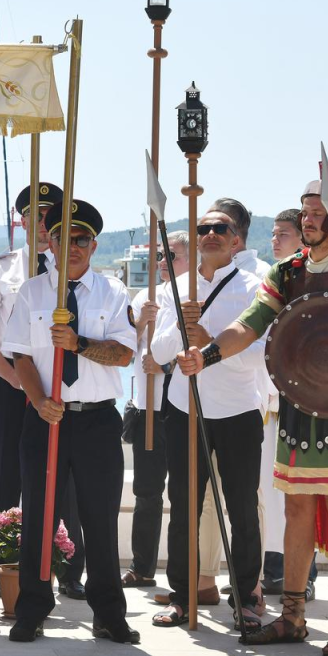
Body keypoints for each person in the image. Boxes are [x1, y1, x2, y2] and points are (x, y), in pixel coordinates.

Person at [176, 166, 328, 656]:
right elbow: (250, 324)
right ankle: (292, 616)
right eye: (306, 212)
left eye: (318, 214)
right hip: (299, 405)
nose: (309, 220)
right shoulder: (289, 270)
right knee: (296, 508)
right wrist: (205, 357)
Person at [0, 198, 137, 644]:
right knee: (38, 515)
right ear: (51, 244)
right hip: (47, 419)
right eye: (64, 238)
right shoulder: (33, 292)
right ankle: (33, 608)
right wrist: (38, 401)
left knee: (100, 519)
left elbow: (124, 354)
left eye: (81, 239)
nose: (72, 246)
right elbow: (20, 354)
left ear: (93, 245)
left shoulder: (114, 293)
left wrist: (77, 344)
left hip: (96, 422)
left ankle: (109, 613)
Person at [149, 211, 265, 630]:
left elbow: (258, 355)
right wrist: (183, 324)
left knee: (242, 508)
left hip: (237, 410)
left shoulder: (255, 289)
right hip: (185, 409)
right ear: (196, 240)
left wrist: (210, 344)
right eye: (204, 229)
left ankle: (247, 597)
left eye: (222, 229)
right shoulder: (176, 288)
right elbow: (159, 353)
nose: (212, 234)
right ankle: (181, 595)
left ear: (237, 241)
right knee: (182, 506)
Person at [0, 182, 86, 600]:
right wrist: (9, 375)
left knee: (66, 474)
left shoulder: (73, 268)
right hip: (13, 385)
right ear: (20, 222)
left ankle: (70, 569)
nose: (40, 224)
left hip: (62, 384)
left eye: (48, 215)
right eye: (33, 216)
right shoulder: (3, 268)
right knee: (5, 472)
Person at [121, 231, 188, 589]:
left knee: (182, 492)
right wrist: (140, 322)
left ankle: (183, 573)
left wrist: (164, 368)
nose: (163, 262)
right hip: (149, 406)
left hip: (181, 406)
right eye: (161, 256)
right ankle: (142, 566)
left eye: (172, 256)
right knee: (146, 491)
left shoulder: (195, 294)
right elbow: (124, 350)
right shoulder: (145, 296)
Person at [261, 207, 309, 596]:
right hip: (267, 407)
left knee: (300, 496)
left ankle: (303, 579)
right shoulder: (272, 282)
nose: (276, 240)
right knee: (269, 498)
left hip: (302, 406)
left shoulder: (309, 284)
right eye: (274, 234)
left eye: (284, 234)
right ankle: (272, 569)